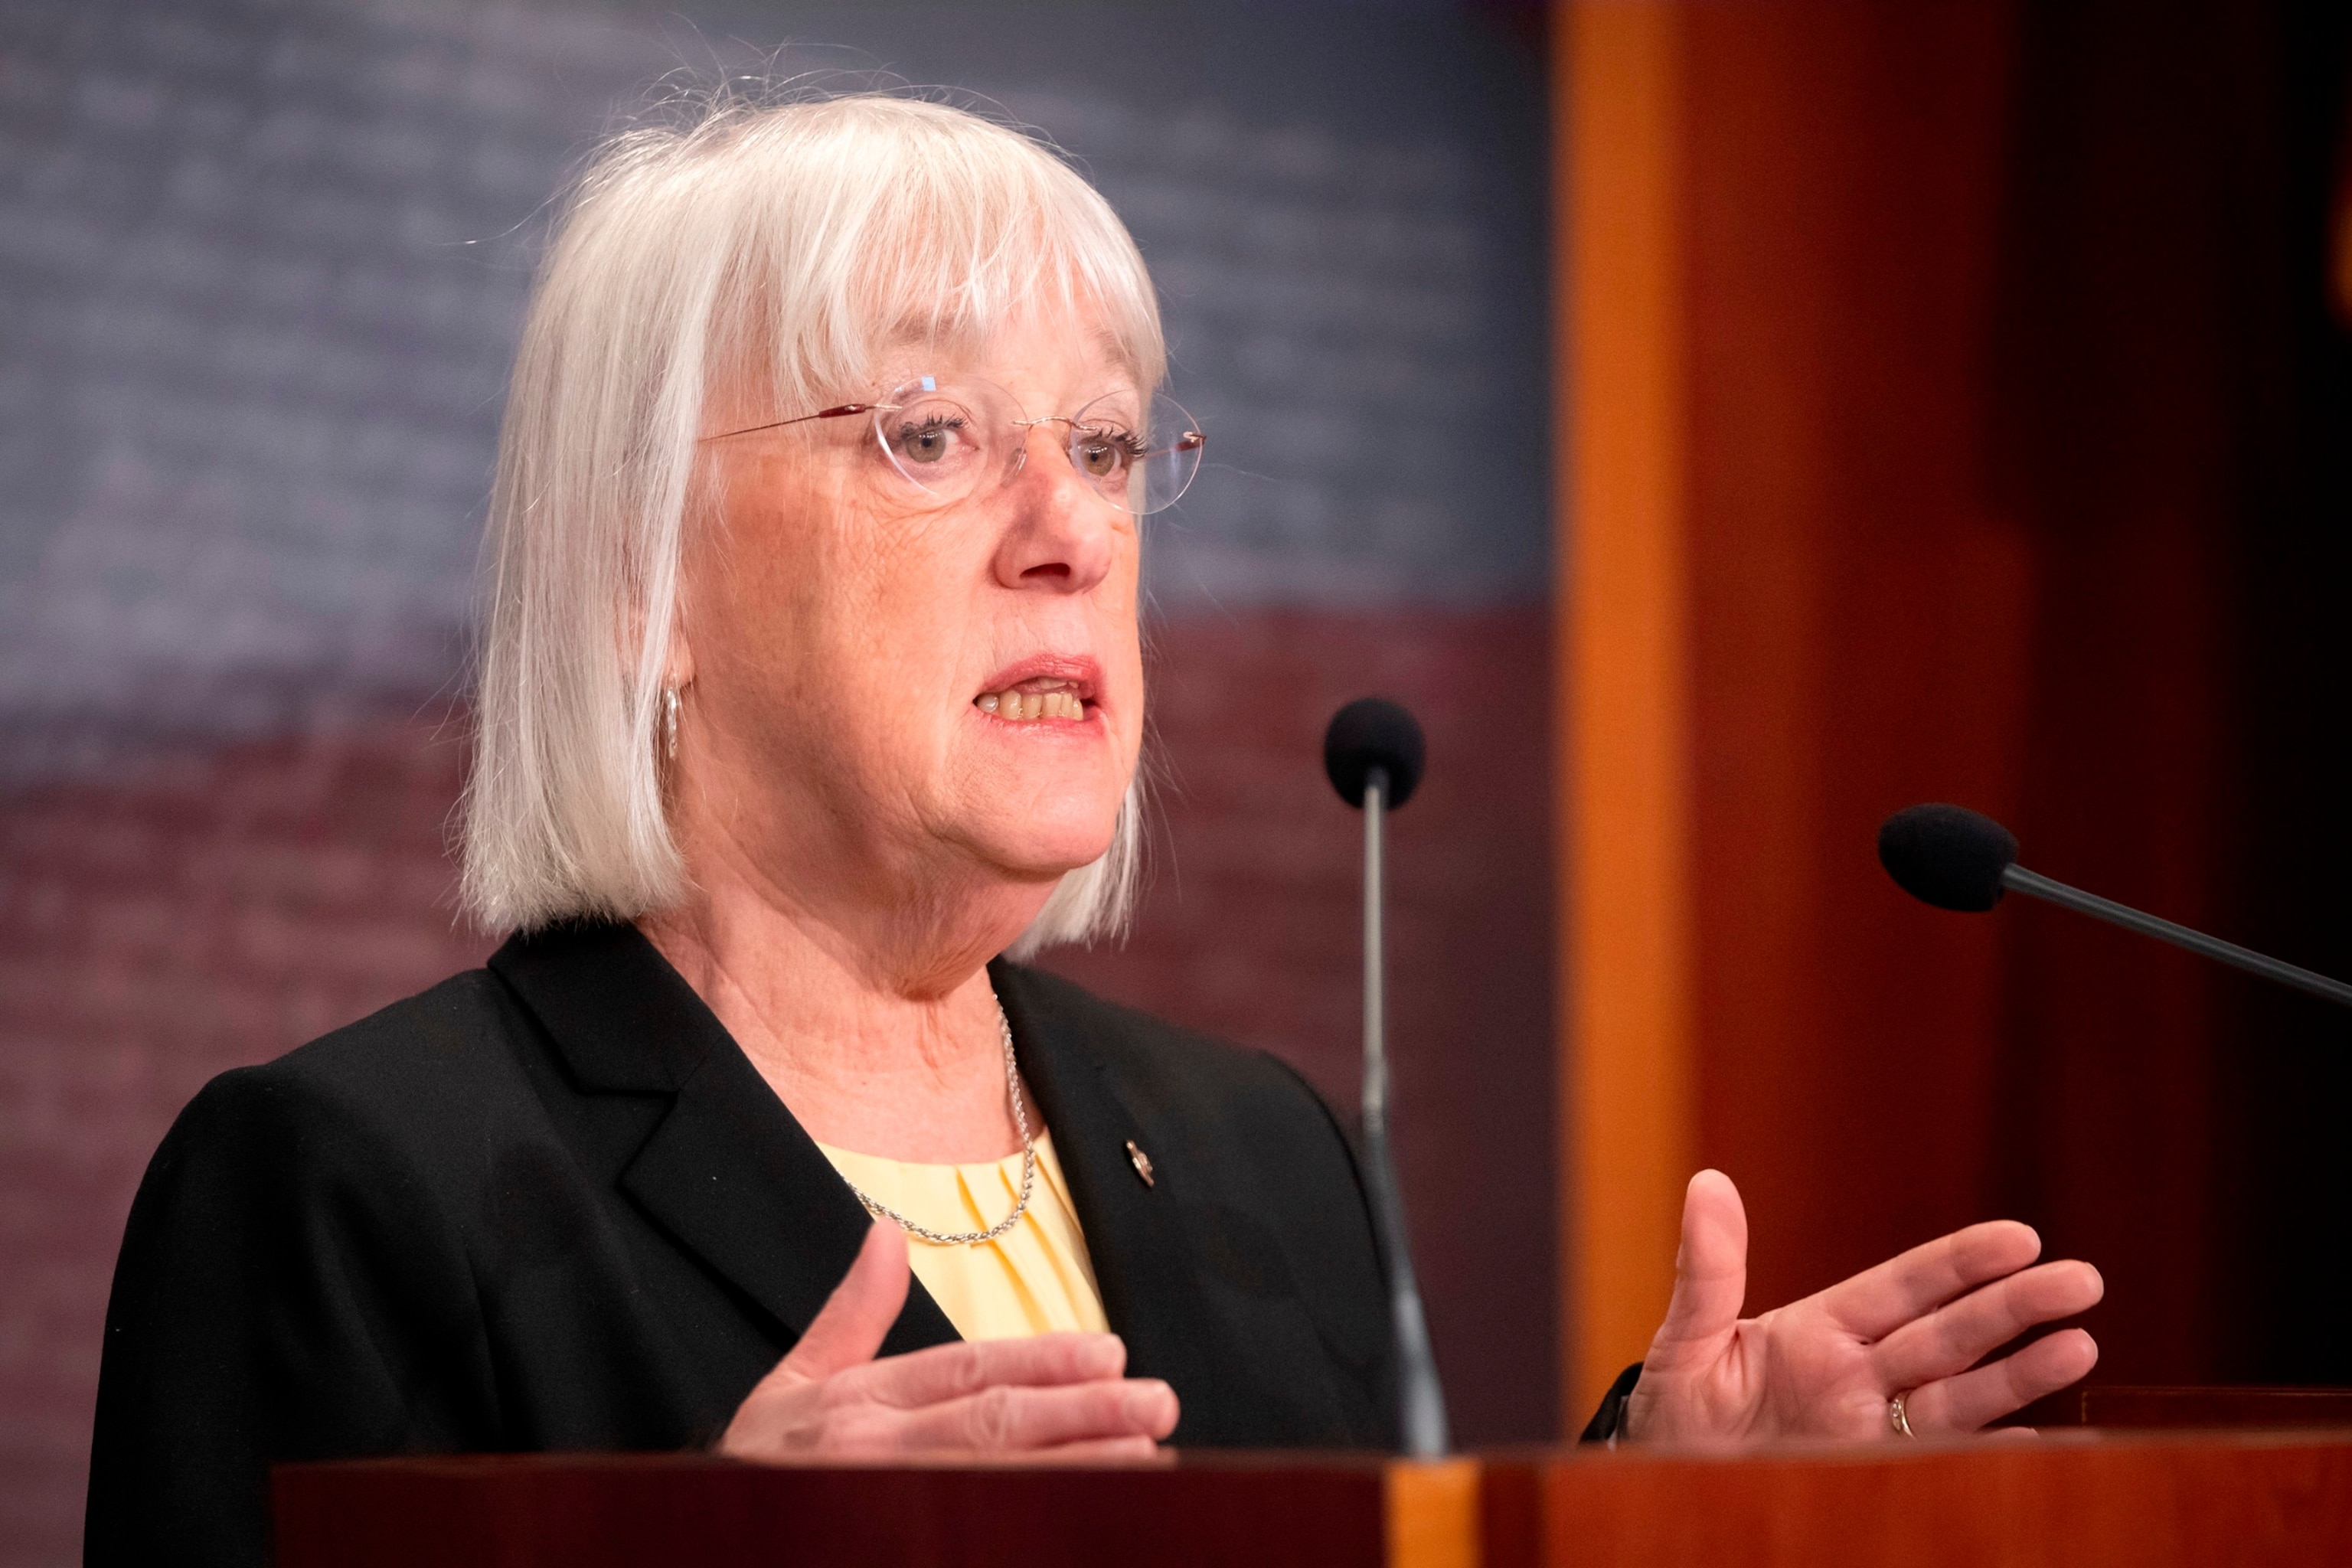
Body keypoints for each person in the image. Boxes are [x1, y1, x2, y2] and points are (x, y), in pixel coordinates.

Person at [83, 92, 2102, 1566]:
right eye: (931, 434)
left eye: (1112, 446)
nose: (1068, 535)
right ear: (646, 579)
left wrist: (1656, 1528)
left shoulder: (1259, 1151)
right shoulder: (358, 1185)